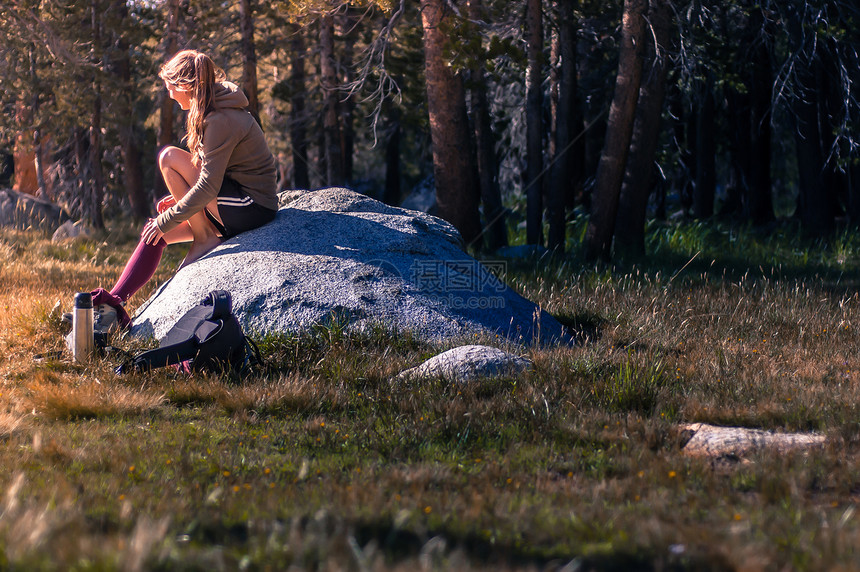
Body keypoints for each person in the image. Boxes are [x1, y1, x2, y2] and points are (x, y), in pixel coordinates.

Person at [89, 49, 279, 333]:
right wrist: (181, 198)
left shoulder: (220, 119)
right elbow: (208, 168)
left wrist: (175, 213)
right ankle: (114, 304)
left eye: (170, 88)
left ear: (185, 86)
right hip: (229, 202)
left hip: (251, 205)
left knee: (168, 158)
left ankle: (204, 239)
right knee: (155, 233)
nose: (169, 95)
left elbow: (208, 186)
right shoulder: (210, 108)